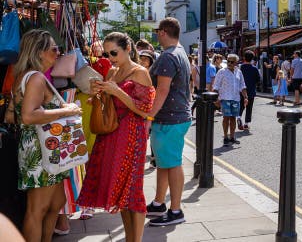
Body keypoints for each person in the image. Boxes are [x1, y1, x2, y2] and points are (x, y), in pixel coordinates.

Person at [78, 33, 155, 242]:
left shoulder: (140, 73)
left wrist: (117, 92)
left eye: (114, 52)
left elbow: (145, 110)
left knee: (133, 191)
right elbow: (109, 104)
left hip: (132, 137)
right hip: (111, 135)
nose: (110, 57)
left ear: (128, 48)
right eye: (107, 53)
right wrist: (98, 93)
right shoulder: (112, 71)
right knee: (121, 192)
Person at [12, 30, 83, 242]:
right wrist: (67, 111)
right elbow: (28, 115)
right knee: (38, 209)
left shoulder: (29, 77)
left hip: (47, 150)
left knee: (55, 203)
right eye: (54, 49)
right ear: (40, 52)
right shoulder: (35, 78)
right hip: (41, 151)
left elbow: (11, 115)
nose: (58, 53)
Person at [145, 18, 192, 227]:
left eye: (157, 32)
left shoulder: (167, 57)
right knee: (164, 162)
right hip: (176, 116)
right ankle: (158, 203)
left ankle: (175, 210)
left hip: (169, 118)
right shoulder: (180, 53)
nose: (156, 35)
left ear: (163, 32)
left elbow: (162, 90)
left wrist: (149, 117)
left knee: (172, 163)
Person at [213, 54, 247, 145]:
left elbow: (242, 86)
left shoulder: (239, 72)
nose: (229, 63)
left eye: (232, 62)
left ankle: (232, 137)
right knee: (226, 118)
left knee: (233, 118)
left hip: (236, 98)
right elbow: (216, 86)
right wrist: (216, 99)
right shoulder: (221, 72)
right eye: (228, 61)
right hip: (225, 98)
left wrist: (245, 97)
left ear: (236, 63)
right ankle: (225, 137)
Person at [239, 51, 260, 131]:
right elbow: (258, 80)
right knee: (249, 107)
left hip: (241, 90)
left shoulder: (240, 67)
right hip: (251, 90)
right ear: (252, 58)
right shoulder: (254, 68)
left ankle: (239, 117)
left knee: (241, 105)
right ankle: (246, 124)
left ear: (244, 57)